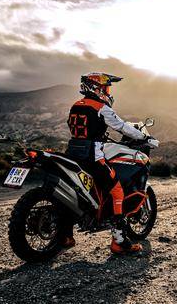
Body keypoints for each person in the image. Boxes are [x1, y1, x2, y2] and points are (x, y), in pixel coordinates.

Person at [61, 72, 147, 254]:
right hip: (92, 157)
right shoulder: (101, 107)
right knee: (117, 191)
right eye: (105, 88)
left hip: (72, 153)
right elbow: (121, 126)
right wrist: (142, 136)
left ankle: (65, 236)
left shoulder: (76, 105)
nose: (107, 92)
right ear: (96, 88)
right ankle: (119, 242)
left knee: (73, 192)